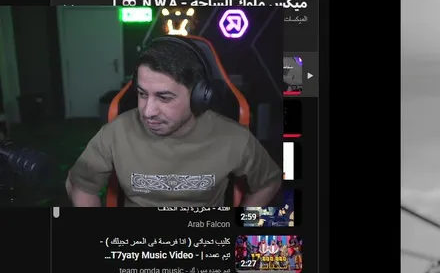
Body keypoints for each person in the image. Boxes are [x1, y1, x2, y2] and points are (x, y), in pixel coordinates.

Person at [65, 37, 282, 207]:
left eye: (164, 97)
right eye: (142, 94)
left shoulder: (235, 138)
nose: (148, 112)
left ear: (199, 96)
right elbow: (80, 185)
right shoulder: (115, 133)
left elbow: (268, 182)